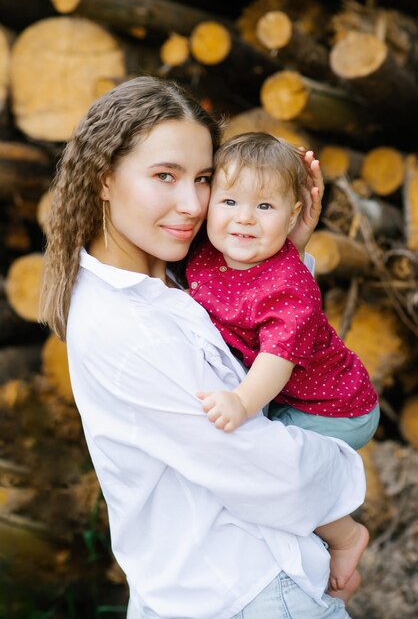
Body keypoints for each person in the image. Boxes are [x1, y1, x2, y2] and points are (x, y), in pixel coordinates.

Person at [39, 75, 367, 619]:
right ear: (103, 178)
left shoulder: (179, 275)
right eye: (165, 176)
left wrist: (286, 254)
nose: (192, 203)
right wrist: (344, 506)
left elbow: (261, 326)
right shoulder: (130, 331)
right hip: (245, 591)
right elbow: (267, 471)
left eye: (204, 178)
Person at [186, 132, 380, 596]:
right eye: (229, 200)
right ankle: (326, 566)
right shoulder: (209, 255)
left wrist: (241, 401)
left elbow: (276, 361)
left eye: (266, 207)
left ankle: (347, 534)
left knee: (277, 466)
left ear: (293, 214)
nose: (244, 219)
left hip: (334, 405)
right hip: (295, 397)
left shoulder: (289, 285)